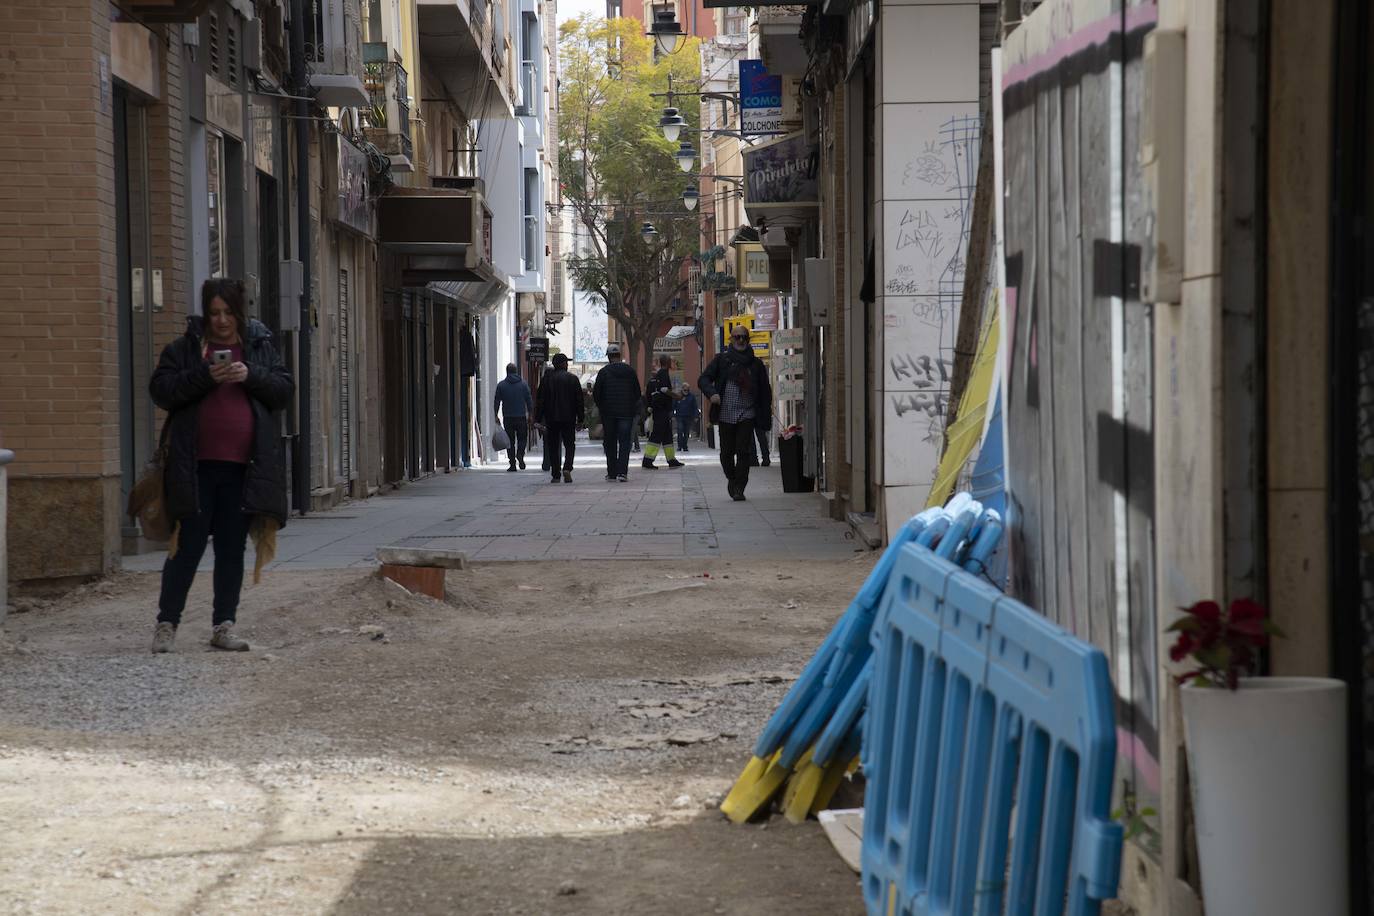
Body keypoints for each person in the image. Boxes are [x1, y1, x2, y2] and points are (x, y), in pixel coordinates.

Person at [148, 278, 294, 654]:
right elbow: (161, 391)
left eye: (228, 312)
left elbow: (283, 391)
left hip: (244, 470)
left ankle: (223, 625)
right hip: (194, 468)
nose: (222, 320)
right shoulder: (184, 349)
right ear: (205, 313)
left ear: (239, 312)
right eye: (214, 313)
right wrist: (204, 376)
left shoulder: (259, 346)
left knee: (231, 550)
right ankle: (167, 624)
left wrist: (251, 375)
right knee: (186, 547)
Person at [699, 325, 772, 501]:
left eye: (744, 337)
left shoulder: (756, 364)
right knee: (726, 453)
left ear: (748, 340)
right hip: (725, 413)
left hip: (747, 413)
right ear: (731, 340)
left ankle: (740, 487)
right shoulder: (722, 360)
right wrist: (712, 393)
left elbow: (765, 390)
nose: (740, 340)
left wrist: (764, 412)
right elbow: (703, 379)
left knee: (743, 451)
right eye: (737, 337)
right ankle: (732, 478)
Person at [592, 343, 641, 481]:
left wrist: (602, 407)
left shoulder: (603, 372)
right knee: (625, 442)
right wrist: (630, 405)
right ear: (619, 355)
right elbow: (637, 392)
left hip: (608, 413)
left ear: (609, 357)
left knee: (610, 442)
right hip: (626, 413)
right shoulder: (630, 371)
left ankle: (612, 472)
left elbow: (597, 393)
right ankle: (622, 472)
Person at [535, 352, 585, 483]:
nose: (567, 364)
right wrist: (580, 419)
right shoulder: (573, 379)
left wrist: (538, 419)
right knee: (569, 445)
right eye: (566, 362)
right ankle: (567, 467)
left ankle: (556, 474)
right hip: (568, 418)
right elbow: (579, 401)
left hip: (551, 418)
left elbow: (540, 401)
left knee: (553, 446)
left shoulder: (546, 380)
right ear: (562, 364)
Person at [642, 354, 685, 470]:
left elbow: (649, 394)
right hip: (662, 410)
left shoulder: (657, 376)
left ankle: (671, 460)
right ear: (667, 362)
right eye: (671, 361)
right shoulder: (664, 374)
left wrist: (650, 406)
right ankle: (647, 460)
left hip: (660, 409)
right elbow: (665, 390)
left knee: (667, 436)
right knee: (656, 435)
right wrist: (677, 396)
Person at [494, 363, 534, 471]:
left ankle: (512, 464)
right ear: (516, 371)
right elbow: (529, 400)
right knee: (522, 438)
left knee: (509, 441)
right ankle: (520, 453)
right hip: (521, 417)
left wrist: (495, 415)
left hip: (508, 417)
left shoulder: (501, 385)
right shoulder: (523, 385)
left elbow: (497, 401)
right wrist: (530, 414)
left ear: (507, 371)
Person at [674, 384, 700, 452]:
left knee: (686, 432)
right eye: (685, 390)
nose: (686, 391)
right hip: (679, 416)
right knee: (680, 431)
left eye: (687, 390)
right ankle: (679, 446)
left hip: (688, 417)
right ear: (682, 389)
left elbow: (695, 407)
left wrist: (696, 416)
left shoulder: (692, 396)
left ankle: (685, 446)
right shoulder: (678, 396)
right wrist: (672, 415)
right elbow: (673, 405)